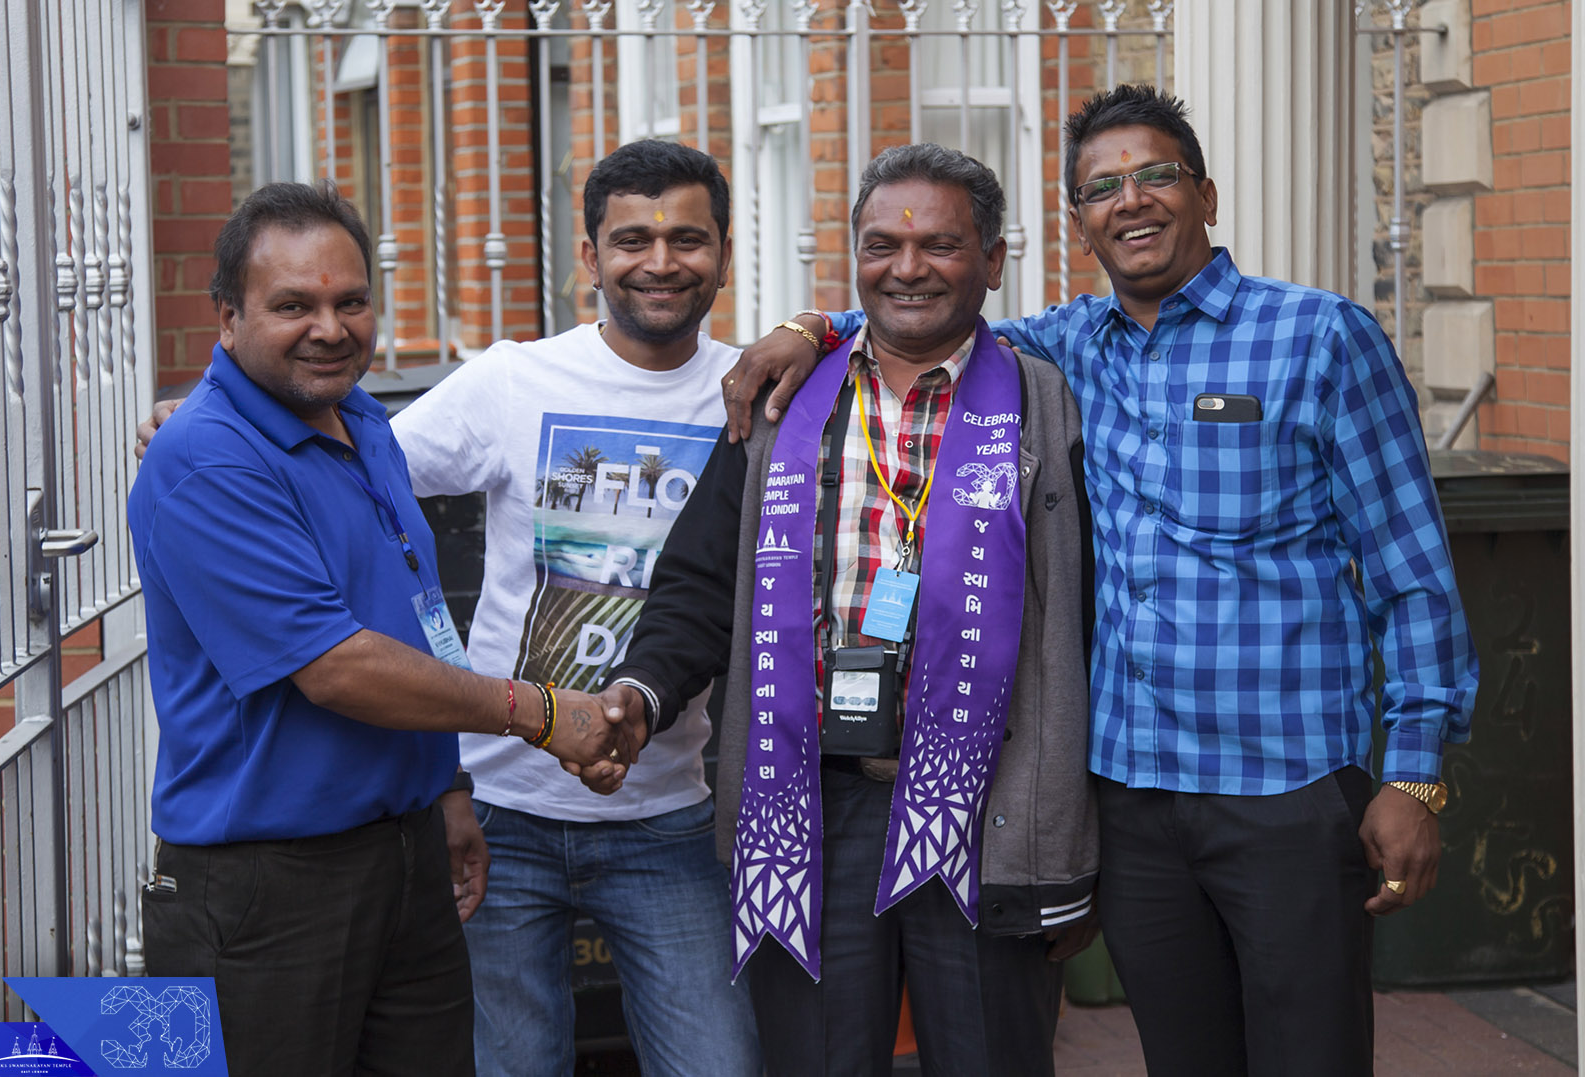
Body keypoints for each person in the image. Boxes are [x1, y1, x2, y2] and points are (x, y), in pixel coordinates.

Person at [728, 85, 1479, 1077]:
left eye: (1155, 175)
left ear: (1205, 193)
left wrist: (1412, 771)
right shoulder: (1061, 350)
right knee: (1183, 1055)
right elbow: (921, 305)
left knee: (1312, 1055)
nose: (1131, 201)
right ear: (1078, 223)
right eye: (1101, 187)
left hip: (1288, 789)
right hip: (1129, 797)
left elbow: (1411, 574)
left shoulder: (1319, 338)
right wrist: (811, 326)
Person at [137, 145, 763, 1077]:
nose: (328, 327)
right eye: (291, 306)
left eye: (350, 302)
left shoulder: (366, 431)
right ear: (226, 320)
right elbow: (340, 663)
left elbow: (415, 609)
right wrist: (543, 717)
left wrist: (444, 787)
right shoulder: (220, 455)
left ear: (724, 251)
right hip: (278, 868)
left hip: (508, 827)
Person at [606, 143, 1099, 1076]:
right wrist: (641, 689)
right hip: (811, 802)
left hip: (987, 802)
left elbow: (1092, 612)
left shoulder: (1049, 401)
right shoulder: (786, 393)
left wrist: (1074, 833)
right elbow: (703, 581)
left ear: (993, 261)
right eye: (881, 246)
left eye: (941, 246)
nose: (907, 267)